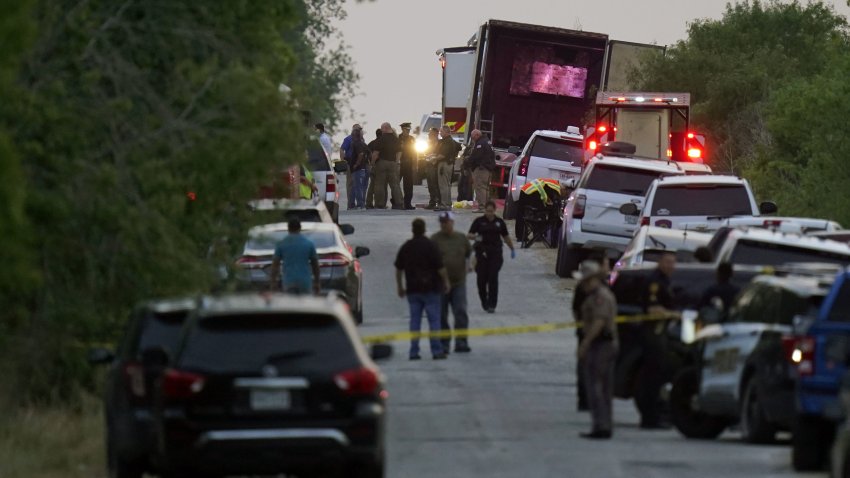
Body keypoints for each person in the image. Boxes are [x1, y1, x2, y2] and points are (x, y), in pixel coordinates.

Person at [395, 218, 450, 360]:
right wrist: (446, 282)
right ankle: (436, 351)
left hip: (413, 290)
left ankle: (414, 352)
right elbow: (441, 268)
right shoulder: (431, 246)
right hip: (432, 289)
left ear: (412, 230)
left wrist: (400, 286)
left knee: (415, 321)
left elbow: (398, 268)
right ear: (424, 229)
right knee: (434, 321)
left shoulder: (407, 247)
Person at [575, 260, 618, 439]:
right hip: (604, 344)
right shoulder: (597, 295)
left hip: (601, 345)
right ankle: (604, 424)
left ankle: (601, 425)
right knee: (604, 388)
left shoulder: (599, 297)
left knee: (596, 387)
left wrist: (585, 343)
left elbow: (599, 322)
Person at [635, 251, 677, 429]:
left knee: (657, 378)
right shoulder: (655, 282)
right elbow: (652, 310)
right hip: (653, 334)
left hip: (660, 334)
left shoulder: (665, 281)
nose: (670, 266)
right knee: (652, 379)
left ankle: (653, 416)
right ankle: (649, 419)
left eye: (673, 263)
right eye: (667, 262)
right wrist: (675, 314)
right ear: (660, 262)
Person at [572, 252, 611, 411]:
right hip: (592, 333)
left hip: (592, 333)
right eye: (606, 263)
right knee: (588, 367)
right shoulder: (593, 288)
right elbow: (578, 309)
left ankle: (587, 399)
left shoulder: (598, 285)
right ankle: (587, 399)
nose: (609, 267)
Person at [431, 211, 473, 353]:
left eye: (447, 222)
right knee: (441, 314)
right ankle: (444, 343)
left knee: (460, 311)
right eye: (442, 223)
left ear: (452, 223)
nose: (444, 225)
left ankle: (461, 341)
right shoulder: (435, 240)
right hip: (441, 284)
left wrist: (471, 264)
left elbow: (470, 254)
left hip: (459, 282)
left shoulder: (461, 238)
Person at [468, 201, 516, 313]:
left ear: (494, 211)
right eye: (487, 211)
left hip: (495, 253)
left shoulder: (499, 222)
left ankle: (492, 304)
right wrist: (477, 238)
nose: (489, 213)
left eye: (491, 211)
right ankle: (484, 301)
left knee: (492, 278)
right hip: (481, 253)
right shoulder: (479, 222)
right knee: (481, 280)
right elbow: (469, 235)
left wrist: (512, 249)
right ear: (485, 210)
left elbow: (506, 237)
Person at [269, 218, 321, 295]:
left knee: (291, 305)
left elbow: (275, 265)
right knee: (305, 305)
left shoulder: (281, 244)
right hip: (305, 281)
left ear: (288, 228)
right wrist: (317, 282)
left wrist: (273, 282)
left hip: (289, 281)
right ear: (300, 228)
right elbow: (315, 265)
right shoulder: (308, 244)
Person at [373, 122, 404, 209]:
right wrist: (396, 162)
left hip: (382, 163)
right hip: (393, 163)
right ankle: (399, 203)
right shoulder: (396, 139)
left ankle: (380, 204)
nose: (381, 130)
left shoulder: (381, 139)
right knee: (395, 185)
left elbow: (376, 153)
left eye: (382, 128)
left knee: (380, 184)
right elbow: (399, 152)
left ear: (385, 128)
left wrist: (372, 163)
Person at [466, 129, 496, 212]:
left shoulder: (480, 143)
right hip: (488, 168)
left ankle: (482, 207)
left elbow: (476, 156)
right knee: (486, 188)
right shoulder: (487, 141)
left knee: (480, 187)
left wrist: (468, 162)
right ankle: (487, 207)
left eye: (473, 137)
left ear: (477, 135)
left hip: (482, 169)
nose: (472, 139)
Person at [434, 125, 459, 211]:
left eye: (441, 131)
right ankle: (448, 204)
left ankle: (444, 205)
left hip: (444, 165)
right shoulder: (451, 141)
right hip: (449, 164)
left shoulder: (447, 142)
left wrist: (432, 158)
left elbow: (442, 155)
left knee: (443, 186)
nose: (440, 133)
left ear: (446, 132)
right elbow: (459, 147)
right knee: (447, 185)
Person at [340, 124, 362, 210]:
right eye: (357, 129)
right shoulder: (348, 139)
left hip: (359, 164)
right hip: (350, 164)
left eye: (359, 129)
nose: (358, 131)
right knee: (350, 184)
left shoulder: (361, 139)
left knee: (358, 185)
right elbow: (342, 149)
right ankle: (351, 204)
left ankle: (359, 203)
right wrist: (343, 162)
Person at [348, 128, 370, 209]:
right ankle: (355, 204)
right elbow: (368, 153)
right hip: (362, 168)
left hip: (357, 169)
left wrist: (356, 164)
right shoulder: (363, 144)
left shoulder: (356, 144)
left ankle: (360, 204)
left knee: (357, 187)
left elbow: (360, 154)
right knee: (359, 187)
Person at [399, 122, 417, 210]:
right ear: (402, 129)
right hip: (400, 163)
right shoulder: (398, 138)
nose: (408, 131)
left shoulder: (412, 139)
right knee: (396, 184)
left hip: (409, 164)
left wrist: (415, 164)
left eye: (409, 130)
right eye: (406, 129)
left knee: (409, 185)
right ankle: (396, 202)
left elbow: (414, 153)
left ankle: (407, 203)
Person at [424, 128, 442, 209]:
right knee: (430, 185)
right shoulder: (429, 143)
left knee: (435, 185)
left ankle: (439, 202)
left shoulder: (439, 143)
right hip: (429, 165)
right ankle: (432, 202)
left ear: (435, 134)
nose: (428, 135)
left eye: (430, 134)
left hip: (435, 166)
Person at [365, 129, 382, 209]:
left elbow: (366, 152)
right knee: (379, 185)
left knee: (371, 185)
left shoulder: (371, 143)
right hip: (379, 165)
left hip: (372, 166)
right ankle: (378, 203)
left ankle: (368, 203)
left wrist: (370, 162)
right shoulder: (381, 143)